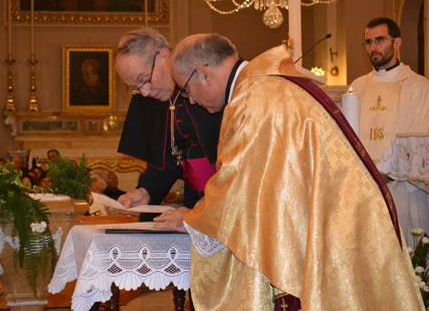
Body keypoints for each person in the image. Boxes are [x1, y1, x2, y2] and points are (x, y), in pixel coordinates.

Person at [161, 34, 424, 310]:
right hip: (339, 220)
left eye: (186, 90)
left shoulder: (253, 99)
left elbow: (238, 187)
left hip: (333, 229)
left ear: (203, 74)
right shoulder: (267, 86)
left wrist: (194, 219)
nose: (189, 100)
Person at [115, 28, 224, 220]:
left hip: (228, 200)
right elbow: (168, 158)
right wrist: (146, 191)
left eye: (144, 80)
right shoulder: (151, 98)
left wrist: (206, 207)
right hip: (193, 204)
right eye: (135, 88)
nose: (145, 93)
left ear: (164, 56)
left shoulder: (210, 83)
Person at [350, 17, 429, 246]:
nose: (373, 47)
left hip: (403, 191)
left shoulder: (418, 86)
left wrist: (384, 173)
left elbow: (419, 141)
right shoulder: (358, 87)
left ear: (397, 43)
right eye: (368, 42)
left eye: (380, 40)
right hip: (364, 188)